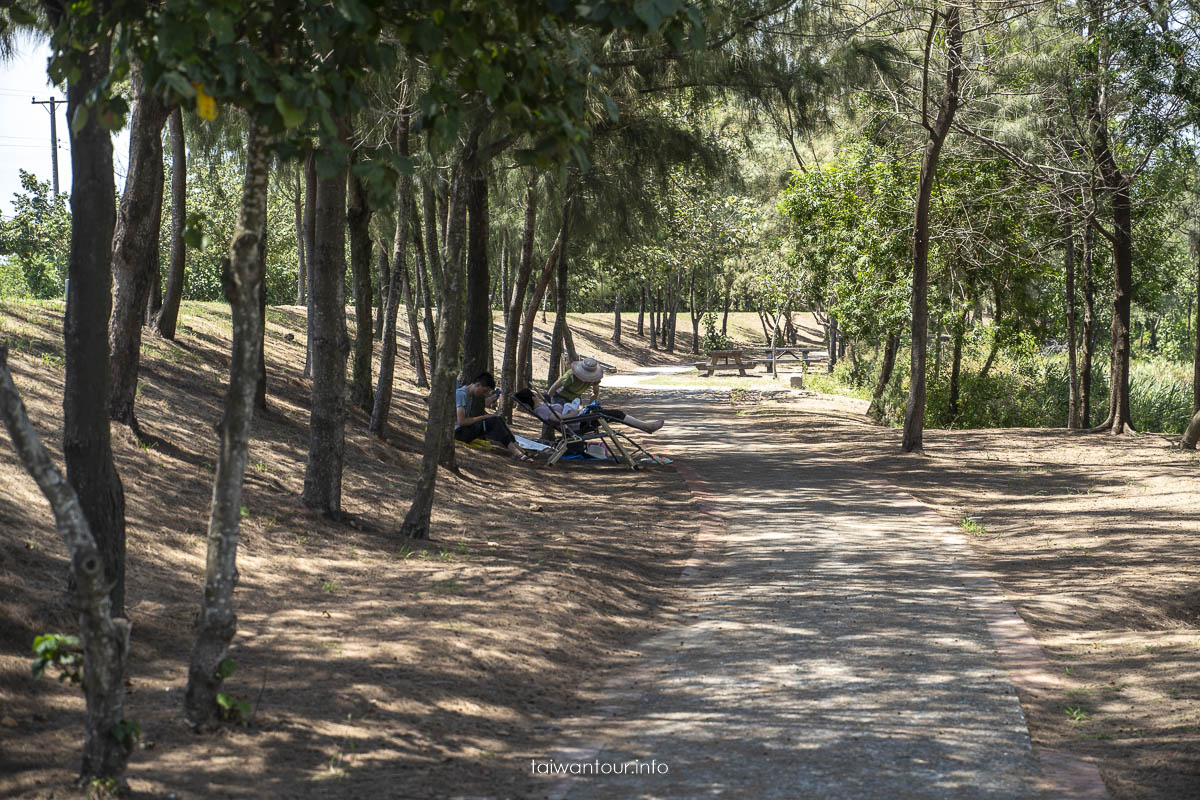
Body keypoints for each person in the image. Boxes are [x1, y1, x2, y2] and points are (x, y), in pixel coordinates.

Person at [541, 357, 665, 434]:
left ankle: (645, 426)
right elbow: (554, 389)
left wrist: (590, 404)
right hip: (569, 409)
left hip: (576, 408)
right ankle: (645, 426)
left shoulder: (593, 379)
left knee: (614, 414)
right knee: (615, 414)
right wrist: (548, 398)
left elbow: (595, 392)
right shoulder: (570, 377)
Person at [455, 372, 532, 461]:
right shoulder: (461, 394)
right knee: (494, 421)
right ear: (478, 384)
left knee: (497, 419)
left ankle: (519, 449)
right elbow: (461, 422)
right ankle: (516, 453)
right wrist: (483, 417)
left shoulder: (469, 396)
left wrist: (489, 406)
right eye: (484, 391)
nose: (484, 394)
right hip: (457, 433)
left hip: (462, 430)